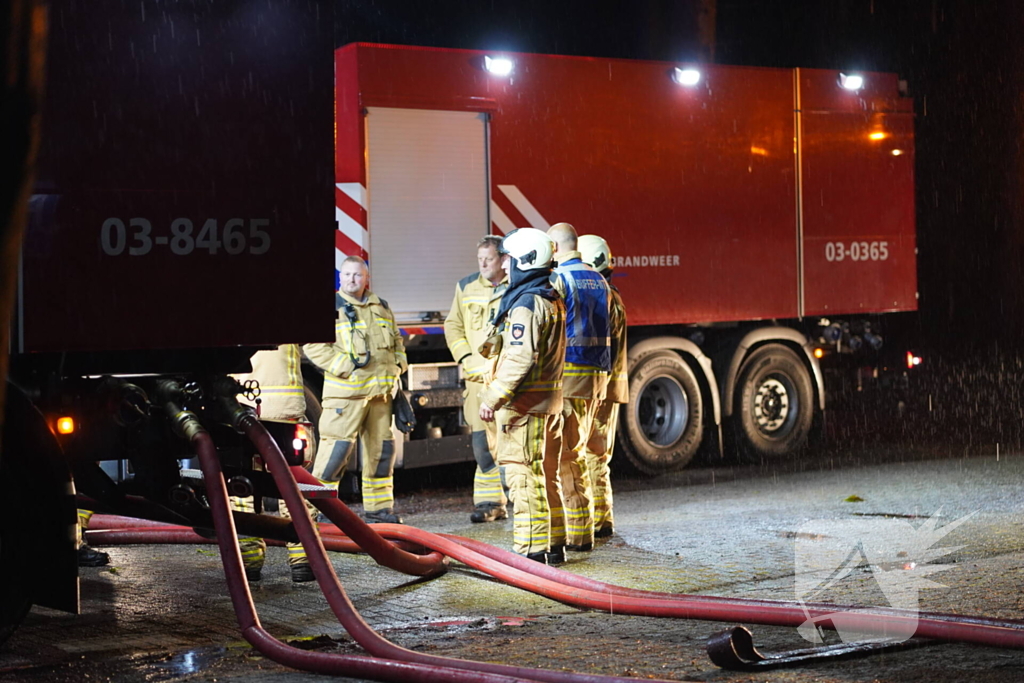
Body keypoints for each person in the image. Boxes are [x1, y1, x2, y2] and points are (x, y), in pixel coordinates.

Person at [479, 228, 565, 563]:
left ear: (526, 261)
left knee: (524, 478)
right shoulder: (549, 296)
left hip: (524, 407)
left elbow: (518, 358)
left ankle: (532, 551)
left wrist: (492, 398)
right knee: (545, 475)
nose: (505, 265)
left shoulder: (527, 304)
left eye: (509, 259)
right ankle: (554, 545)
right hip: (547, 403)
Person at [304, 256, 408, 524]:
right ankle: (321, 511)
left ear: (366, 278)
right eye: (347, 274)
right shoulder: (328, 306)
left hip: (380, 396)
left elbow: (397, 340)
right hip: (345, 397)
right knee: (335, 454)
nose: (352, 279)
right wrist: (345, 367)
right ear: (340, 277)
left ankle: (380, 510)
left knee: (381, 454)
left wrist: (399, 364)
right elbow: (313, 345)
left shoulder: (381, 306)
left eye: (357, 275)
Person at [546, 222, 611, 561]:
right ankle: (586, 527)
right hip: (595, 377)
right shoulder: (598, 278)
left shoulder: (560, 279)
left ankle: (579, 534)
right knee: (583, 451)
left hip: (570, 376)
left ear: (556, 248)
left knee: (567, 458)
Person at [232, 344, 316, 582]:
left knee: (242, 489)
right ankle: (303, 561)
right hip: (287, 410)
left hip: (244, 410)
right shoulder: (287, 322)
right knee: (294, 486)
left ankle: (248, 564)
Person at [444, 235, 509, 523]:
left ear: (502, 259)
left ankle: (521, 500)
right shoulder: (466, 286)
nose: (483, 264)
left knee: (511, 443)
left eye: (489, 259)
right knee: (482, 444)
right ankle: (489, 502)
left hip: (507, 381)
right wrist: (466, 358)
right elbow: (453, 326)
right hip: (477, 381)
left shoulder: (516, 285)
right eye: (480, 259)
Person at [578, 235, 627, 538]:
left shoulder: (603, 298)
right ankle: (601, 517)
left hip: (601, 388)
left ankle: (598, 520)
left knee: (593, 453)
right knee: (596, 453)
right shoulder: (611, 295)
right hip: (606, 386)